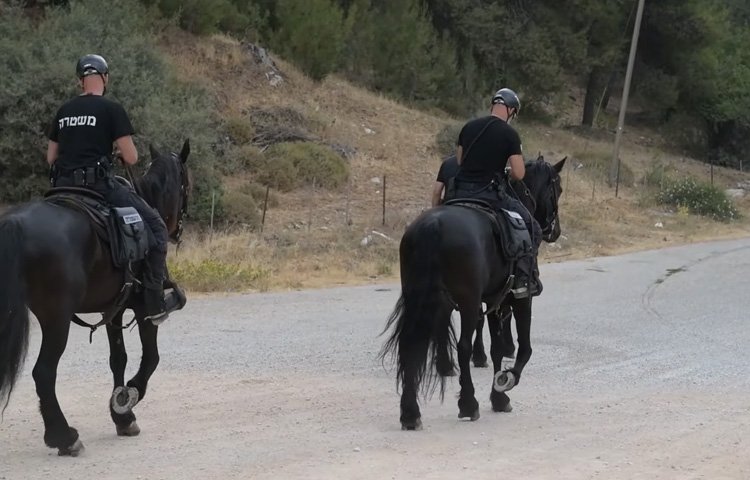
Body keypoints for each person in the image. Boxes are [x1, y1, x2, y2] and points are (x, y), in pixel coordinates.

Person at [47, 54, 172, 323]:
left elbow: (50, 158)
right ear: (105, 77)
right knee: (158, 229)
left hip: (61, 189)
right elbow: (132, 157)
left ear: (80, 80)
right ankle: (154, 301)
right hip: (99, 187)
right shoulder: (111, 109)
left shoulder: (64, 111)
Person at [450, 88, 542, 298]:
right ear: (510, 110)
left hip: (459, 193)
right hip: (488, 194)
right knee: (533, 228)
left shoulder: (469, 127)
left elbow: (459, 161)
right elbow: (519, 174)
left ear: (494, 105)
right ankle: (521, 280)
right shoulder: (509, 134)